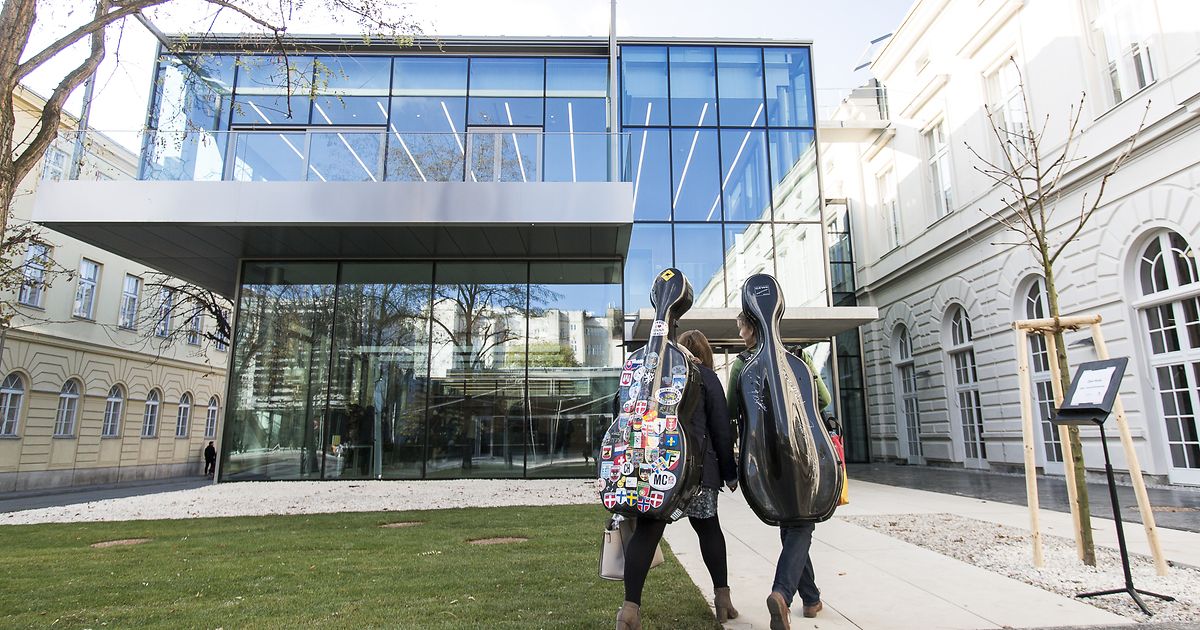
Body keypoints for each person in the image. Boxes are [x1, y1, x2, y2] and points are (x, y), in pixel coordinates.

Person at [615, 331, 739, 629]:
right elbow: (722, 430)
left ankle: (629, 610)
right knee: (709, 530)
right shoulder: (707, 377)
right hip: (699, 472)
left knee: (646, 533)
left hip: (659, 471)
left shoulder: (655, 375)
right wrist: (729, 471)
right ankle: (723, 601)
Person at [727, 311, 830, 630]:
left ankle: (810, 599)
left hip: (765, 458)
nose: (739, 331)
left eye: (740, 325)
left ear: (750, 327)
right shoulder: (798, 357)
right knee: (801, 522)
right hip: (804, 451)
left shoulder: (742, 364)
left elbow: (731, 411)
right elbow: (823, 400)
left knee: (793, 524)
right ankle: (783, 594)